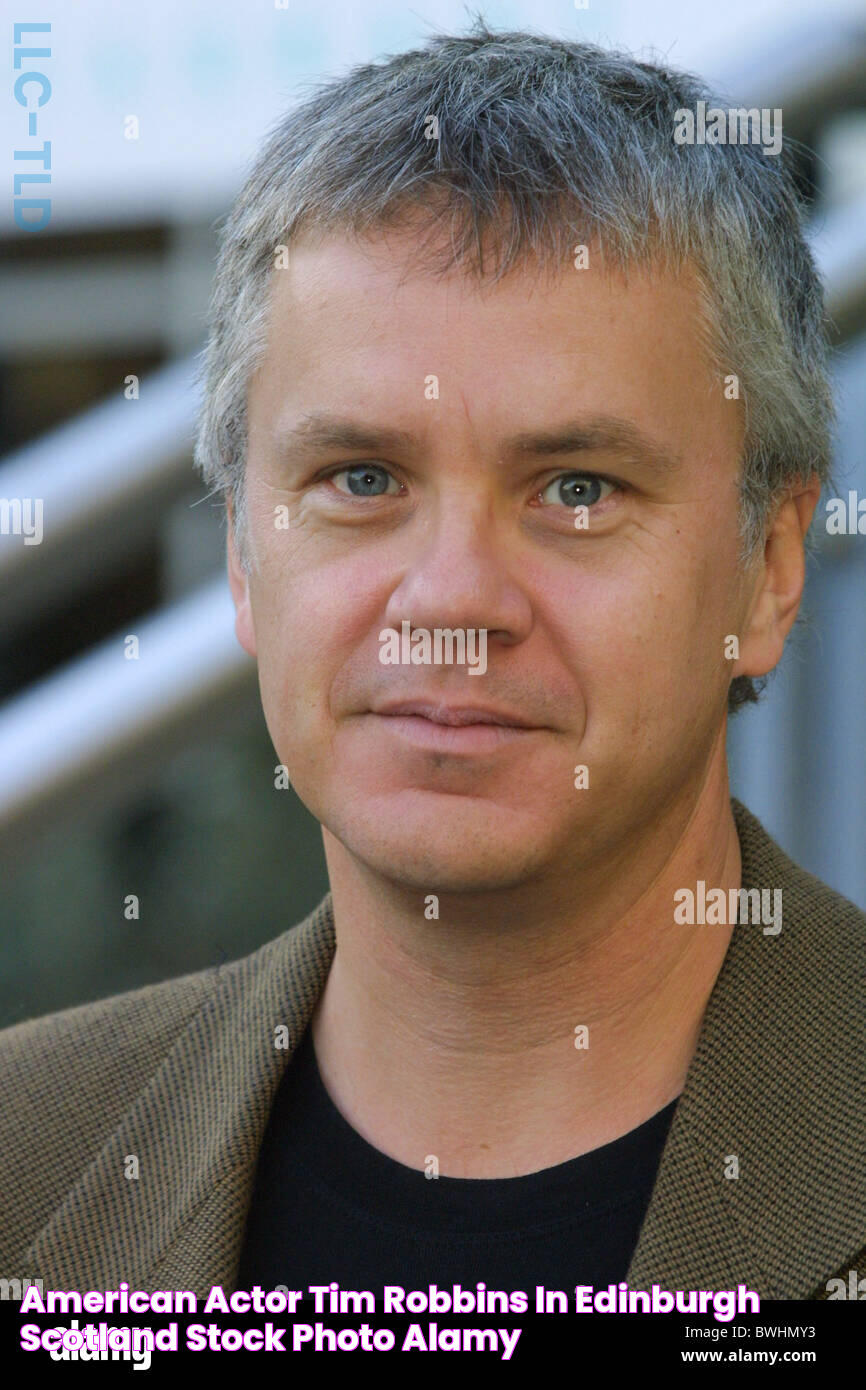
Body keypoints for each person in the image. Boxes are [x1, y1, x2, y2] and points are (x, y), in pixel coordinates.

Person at [1, 22, 863, 1307]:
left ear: (768, 567)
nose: (451, 600)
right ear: (243, 554)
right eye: (359, 479)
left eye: (576, 486)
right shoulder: (29, 1149)